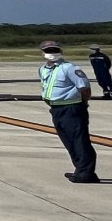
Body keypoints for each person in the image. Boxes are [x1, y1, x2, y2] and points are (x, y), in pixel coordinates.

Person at [39, 41, 98, 182]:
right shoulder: (43, 69)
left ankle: (86, 173)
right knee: (69, 141)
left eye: (54, 50)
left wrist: (82, 104)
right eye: (48, 50)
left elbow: (85, 88)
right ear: (43, 53)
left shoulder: (69, 68)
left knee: (79, 141)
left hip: (71, 108)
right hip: (56, 109)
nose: (51, 53)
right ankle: (80, 170)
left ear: (61, 52)